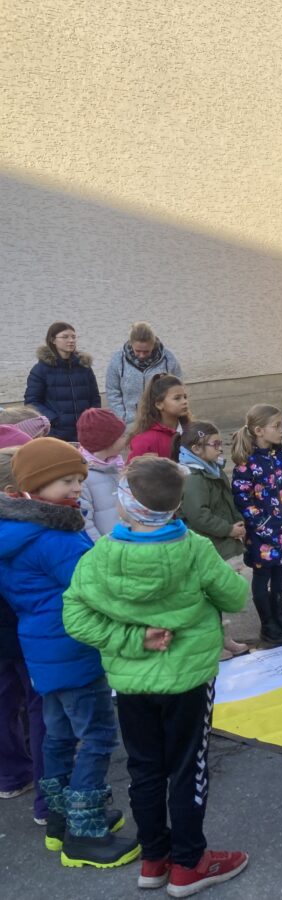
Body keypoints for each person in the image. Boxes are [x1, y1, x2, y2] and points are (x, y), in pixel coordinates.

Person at [63, 456, 250, 896]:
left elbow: (75, 617)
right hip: (188, 680)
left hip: (132, 684)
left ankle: (155, 858)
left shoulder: (101, 555)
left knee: (145, 768)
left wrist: (132, 639)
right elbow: (236, 597)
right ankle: (189, 862)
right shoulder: (195, 549)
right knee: (188, 768)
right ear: (176, 506)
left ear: (124, 504)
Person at [0, 437, 136, 867]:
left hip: (41, 650)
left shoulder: (15, 530)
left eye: (79, 478)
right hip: (73, 648)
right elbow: (95, 591)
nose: (76, 487)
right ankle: (85, 832)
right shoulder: (54, 536)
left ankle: (60, 819)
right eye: (65, 481)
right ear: (33, 485)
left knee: (59, 735)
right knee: (97, 736)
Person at [0, 442, 50, 830]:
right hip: (25, 632)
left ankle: (11, 774)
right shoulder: (27, 531)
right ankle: (49, 800)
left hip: (11, 632)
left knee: (5, 702)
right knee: (42, 711)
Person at [230, 404, 282, 644]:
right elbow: (242, 498)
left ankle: (281, 619)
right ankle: (268, 625)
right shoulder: (246, 463)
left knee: (281, 574)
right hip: (262, 535)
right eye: (276, 426)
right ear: (259, 430)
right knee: (262, 576)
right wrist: (261, 524)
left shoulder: (281, 457)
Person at [177, 422, 250, 659]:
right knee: (207, 599)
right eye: (215, 444)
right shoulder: (194, 478)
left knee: (216, 597)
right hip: (209, 544)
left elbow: (226, 502)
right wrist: (228, 529)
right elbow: (197, 515)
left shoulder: (211, 469)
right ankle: (212, 645)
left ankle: (223, 638)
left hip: (218, 542)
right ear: (196, 448)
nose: (220, 448)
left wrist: (238, 522)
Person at [24, 322, 101, 443]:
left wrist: (92, 417)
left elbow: (95, 397)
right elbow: (32, 402)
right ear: (53, 340)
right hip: (56, 433)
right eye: (65, 337)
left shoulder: (84, 367)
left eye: (73, 337)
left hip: (85, 431)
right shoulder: (41, 369)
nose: (71, 340)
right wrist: (54, 419)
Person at [104, 322, 184, 424]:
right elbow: (113, 391)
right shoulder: (117, 360)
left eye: (146, 351)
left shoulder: (168, 359)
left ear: (153, 345)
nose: (141, 355)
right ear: (131, 344)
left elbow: (178, 387)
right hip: (130, 423)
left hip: (162, 421)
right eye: (137, 351)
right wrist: (122, 418)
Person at [76, 408, 127, 541]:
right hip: (106, 547)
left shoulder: (117, 465)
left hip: (124, 542)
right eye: (122, 436)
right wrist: (101, 548)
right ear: (107, 440)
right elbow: (85, 523)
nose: (126, 439)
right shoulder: (82, 478)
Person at [128, 374, 190, 461]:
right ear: (159, 405)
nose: (184, 401)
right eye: (177, 398)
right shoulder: (144, 441)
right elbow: (133, 469)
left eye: (185, 397)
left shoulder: (192, 431)